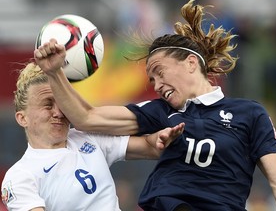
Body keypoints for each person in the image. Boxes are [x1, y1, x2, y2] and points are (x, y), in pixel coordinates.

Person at [33, 0, 276, 211]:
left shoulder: (250, 113)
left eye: (159, 72)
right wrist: (55, 73)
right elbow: (86, 118)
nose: (155, 85)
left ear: (190, 63)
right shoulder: (159, 111)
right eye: (151, 79)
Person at [0, 62, 184, 211]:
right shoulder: (19, 176)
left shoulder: (87, 138)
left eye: (61, 104)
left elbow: (150, 147)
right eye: (48, 105)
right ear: (22, 118)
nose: (58, 112)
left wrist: (161, 140)